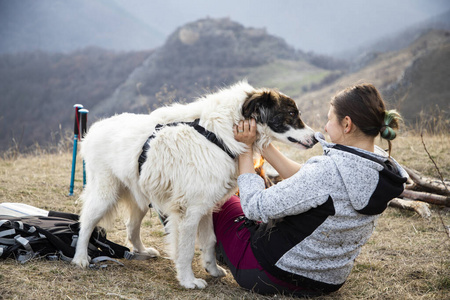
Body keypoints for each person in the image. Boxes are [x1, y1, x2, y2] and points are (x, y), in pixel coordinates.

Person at [213, 83, 408, 297]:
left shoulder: (326, 173)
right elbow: (308, 181)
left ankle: (219, 251)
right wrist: (262, 142)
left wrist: (245, 150)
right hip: (327, 281)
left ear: (347, 124)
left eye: (329, 119)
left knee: (217, 201)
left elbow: (253, 207)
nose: (324, 127)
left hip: (268, 273)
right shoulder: (382, 169)